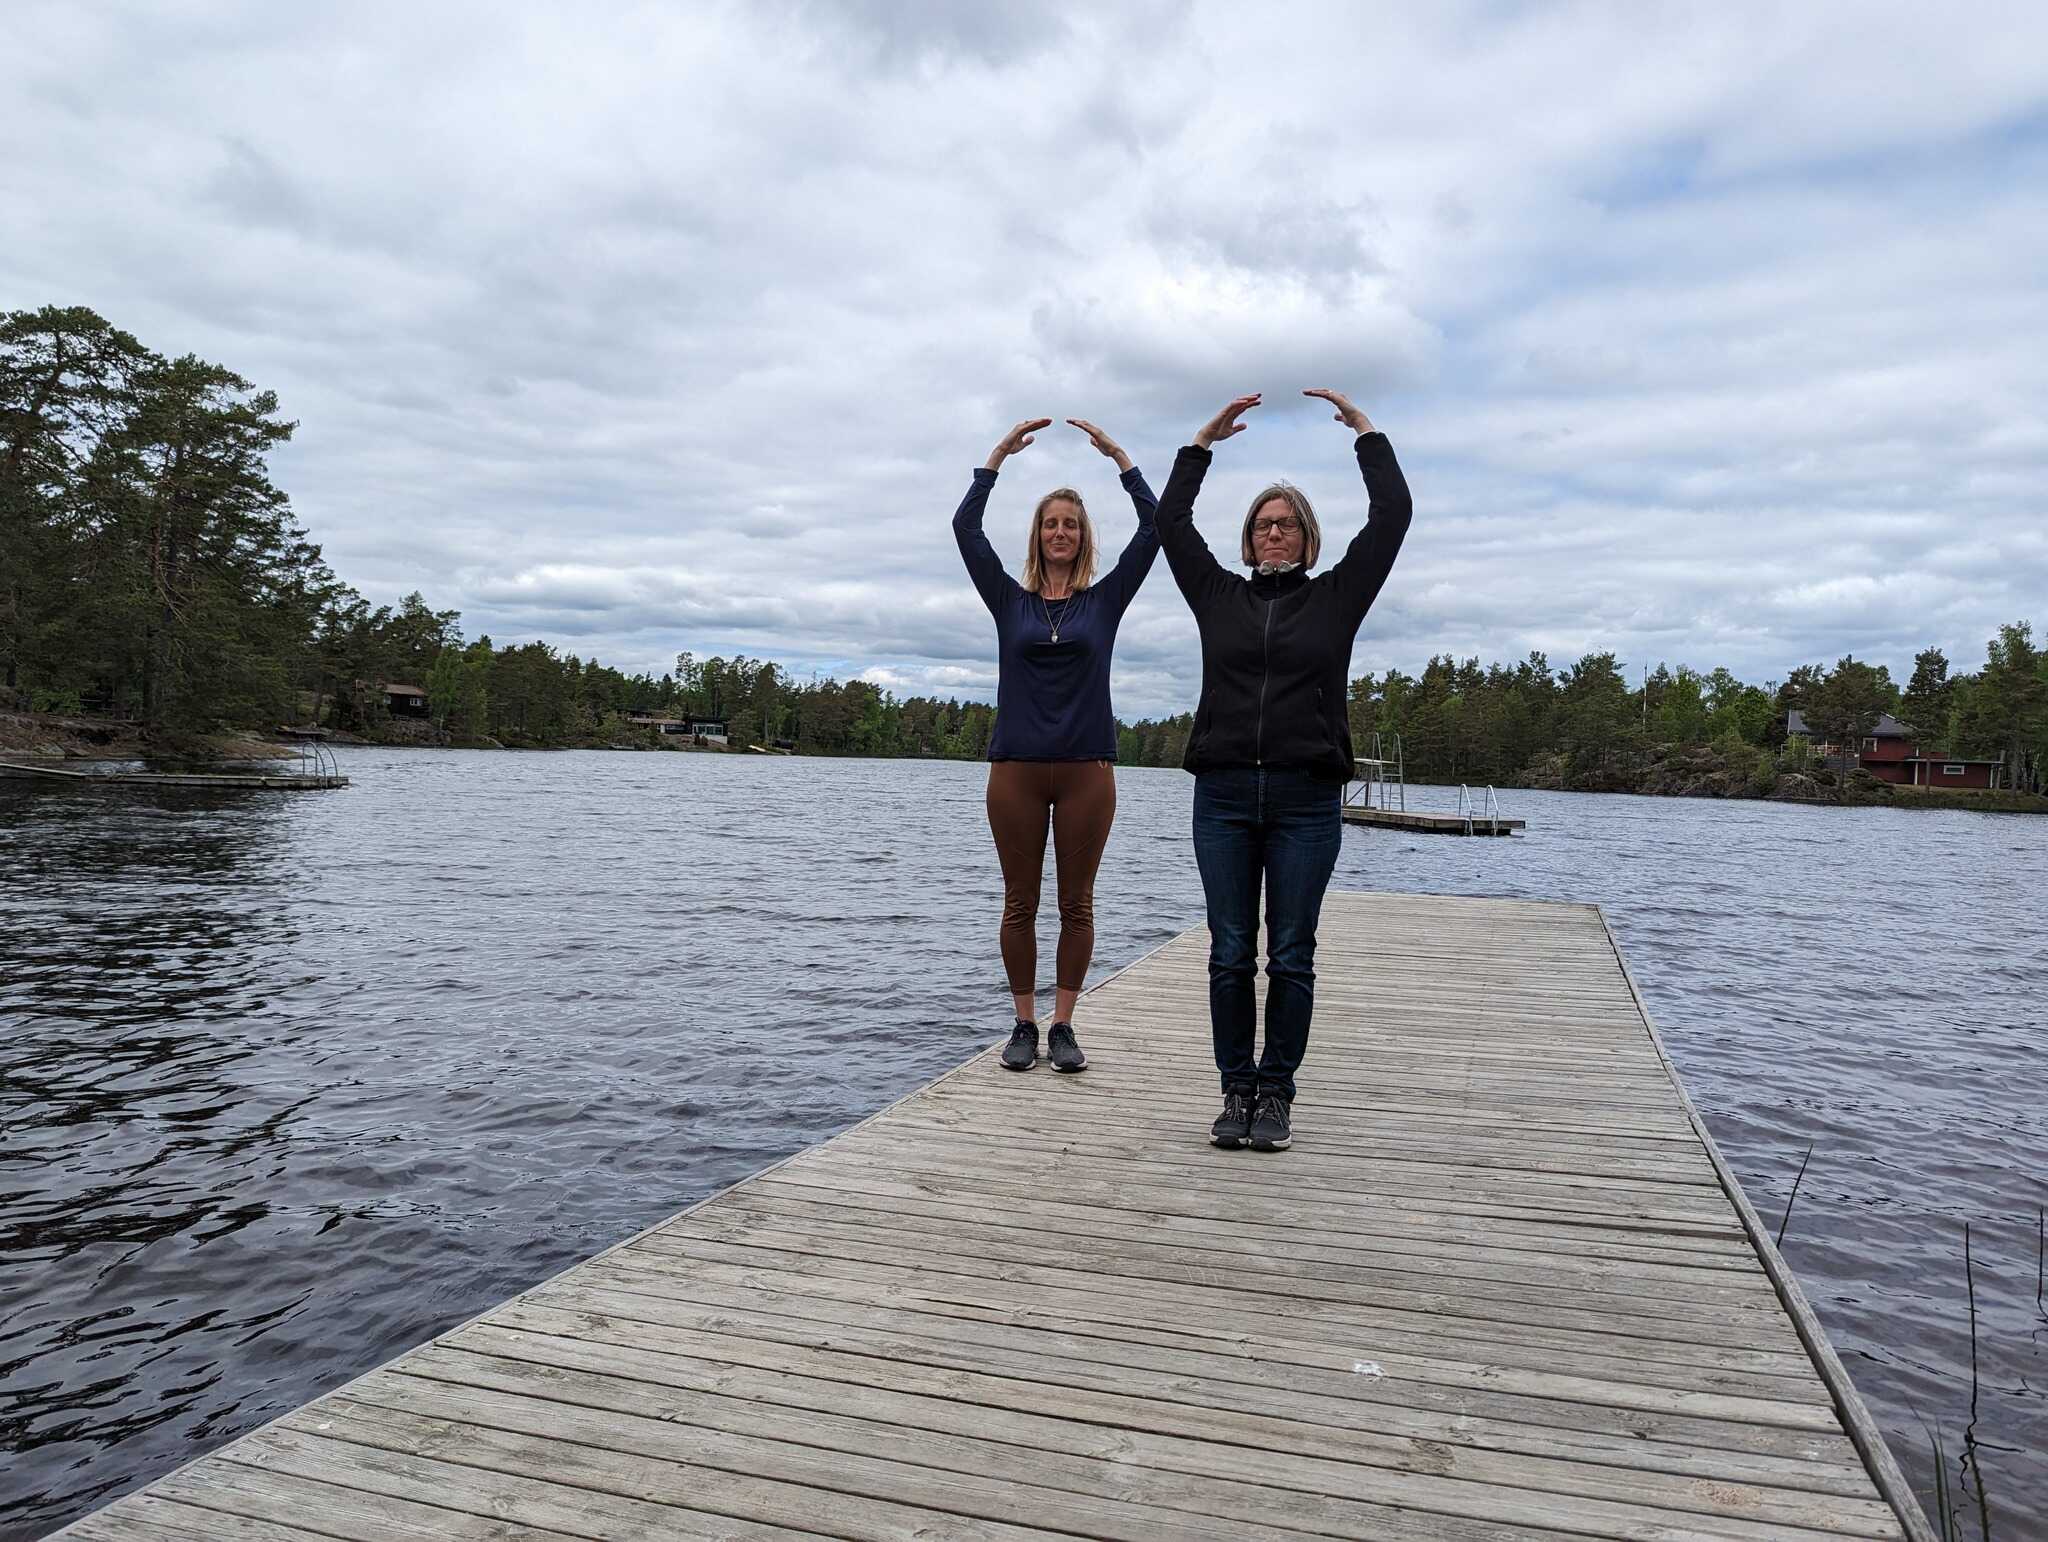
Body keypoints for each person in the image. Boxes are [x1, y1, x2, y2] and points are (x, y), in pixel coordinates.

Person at [1155, 389, 1413, 1150]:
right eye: (1264, 524)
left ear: (1307, 539)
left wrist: (1368, 435)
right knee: (1230, 950)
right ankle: (1235, 1090)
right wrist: (1199, 446)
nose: (1275, 533)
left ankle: (1277, 1094)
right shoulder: (1216, 597)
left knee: (1291, 953)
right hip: (1224, 795)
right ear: (1248, 539)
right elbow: (1170, 523)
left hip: (1306, 800)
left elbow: (1391, 516)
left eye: (1288, 524)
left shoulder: (1337, 598)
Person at [954, 416, 1160, 1073]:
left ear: (1084, 536)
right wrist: (996, 461)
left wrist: (1121, 459)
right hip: (1014, 768)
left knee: (1077, 904)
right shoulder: (1008, 602)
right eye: (1051, 523)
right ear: (1038, 535)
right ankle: (1022, 1024)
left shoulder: (1106, 601)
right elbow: (966, 529)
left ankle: (1064, 1025)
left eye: (1072, 523)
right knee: (1020, 903)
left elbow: (1156, 527)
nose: (1061, 532)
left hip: (1086, 771)